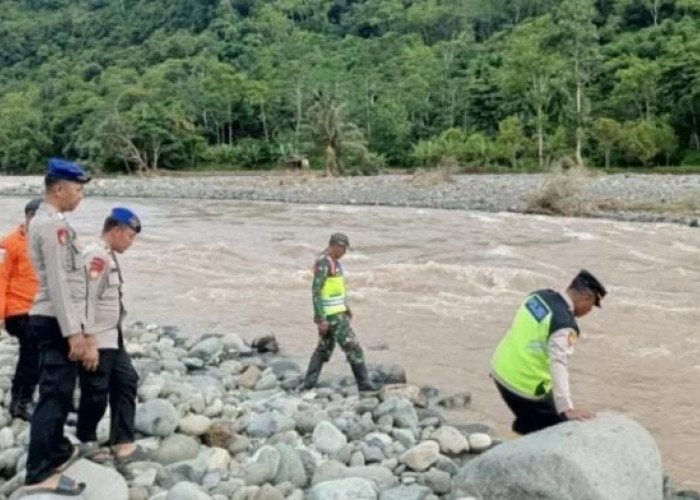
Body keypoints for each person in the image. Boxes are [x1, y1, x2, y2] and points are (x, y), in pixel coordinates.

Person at [23, 159, 93, 497]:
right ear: (59, 188)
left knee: (61, 392)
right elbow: (60, 283)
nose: (80, 196)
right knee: (53, 395)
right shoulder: (52, 226)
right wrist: (74, 332)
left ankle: (56, 451)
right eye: (77, 189)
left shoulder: (51, 221)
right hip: (54, 320)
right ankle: (39, 472)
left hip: (52, 319)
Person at [491, 270, 607, 435]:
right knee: (559, 428)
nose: (589, 311)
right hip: (522, 386)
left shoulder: (538, 296)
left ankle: (517, 434)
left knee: (531, 417)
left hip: (499, 368)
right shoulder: (564, 324)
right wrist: (567, 409)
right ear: (585, 298)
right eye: (592, 305)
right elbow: (558, 363)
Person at [77, 207, 146, 467]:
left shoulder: (108, 255)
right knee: (95, 391)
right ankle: (86, 440)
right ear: (116, 231)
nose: (131, 242)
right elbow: (84, 300)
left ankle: (122, 442)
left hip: (112, 335)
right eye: (129, 236)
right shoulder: (96, 256)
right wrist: (88, 341)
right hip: (97, 337)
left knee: (127, 381)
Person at [301, 233, 377, 393]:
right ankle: (364, 384)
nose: (345, 252)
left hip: (337, 312)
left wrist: (345, 306)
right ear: (336, 246)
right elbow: (316, 292)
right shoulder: (324, 263)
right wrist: (320, 319)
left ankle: (307, 385)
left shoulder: (334, 262)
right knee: (353, 348)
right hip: (332, 316)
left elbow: (335, 289)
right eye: (343, 249)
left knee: (324, 349)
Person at [0, 198, 42, 420]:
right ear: (29, 216)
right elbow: (0, 278)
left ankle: (22, 399)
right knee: (32, 349)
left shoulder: (46, 243)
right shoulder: (8, 244)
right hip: (17, 310)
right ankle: (22, 401)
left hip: (39, 309)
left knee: (34, 353)